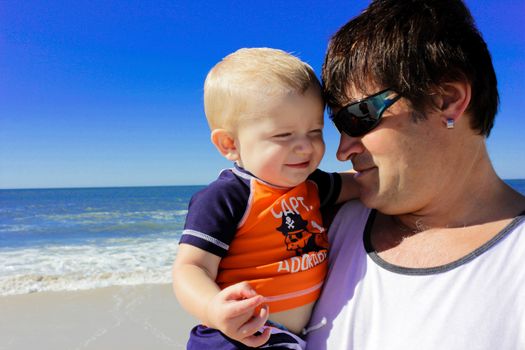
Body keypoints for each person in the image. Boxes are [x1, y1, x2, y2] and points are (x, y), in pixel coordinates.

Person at [305, 0, 525, 349]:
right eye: (338, 125)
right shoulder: (318, 226)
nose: (343, 149)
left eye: (359, 116)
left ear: (446, 100)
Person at [172, 48, 358, 349]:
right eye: (284, 135)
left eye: (315, 131)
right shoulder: (226, 197)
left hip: (291, 338)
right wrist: (213, 309)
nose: (305, 147)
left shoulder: (313, 185)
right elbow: (191, 268)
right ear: (230, 144)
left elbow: (360, 184)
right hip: (239, 337)